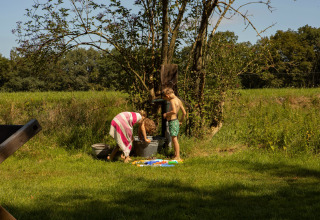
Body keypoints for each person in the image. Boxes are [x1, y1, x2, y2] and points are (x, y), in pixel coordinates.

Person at [162, 88, 186, 160]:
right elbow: (184, 113)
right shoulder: (178, 100)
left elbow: (174, 111)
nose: (167, 100)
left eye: (166, 98)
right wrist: (181, 121)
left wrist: (166, 114)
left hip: (172, 121)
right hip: (176, 121)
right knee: (174, 138)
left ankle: (177, 156)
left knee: (174, 139)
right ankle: (175, 154)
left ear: (167, 95)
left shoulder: (172, 100)